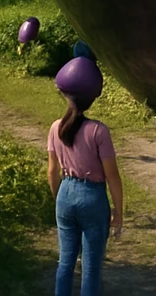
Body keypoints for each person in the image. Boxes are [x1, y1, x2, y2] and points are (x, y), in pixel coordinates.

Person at [47, 43, 124, 296]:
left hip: (65, 193)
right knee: (91, 268)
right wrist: (119, 212)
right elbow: (112, 176)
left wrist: (60, 196)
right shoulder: (98, 131)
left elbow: (52, 171)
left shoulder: (55, 127)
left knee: (65, 262)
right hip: (92, 196)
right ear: (92, 97)